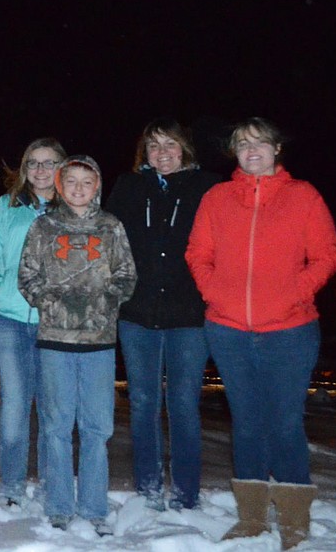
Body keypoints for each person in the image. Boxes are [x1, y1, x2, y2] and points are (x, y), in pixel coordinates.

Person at [185, 117, 336, 550]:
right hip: (229, 330)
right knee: (248, 423)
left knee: (286, 422)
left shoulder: (302, 196)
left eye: (259, 144)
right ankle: (251, 517)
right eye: (242, 146)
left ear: (276, 149)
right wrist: (216, 293)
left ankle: (293, 518)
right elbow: (198, 253)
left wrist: (295, 292)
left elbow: (326, 255)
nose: (251, 151)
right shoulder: (218, 198)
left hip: (290, 330)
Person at [104, 118, 220, 511]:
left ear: (185, 148)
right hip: (137, 314)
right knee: (143, 401)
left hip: (190, 315)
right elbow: (108, 241)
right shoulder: (129, 187)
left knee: (184, 403)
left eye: (171, 145)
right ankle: (148, 487)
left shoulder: (208, 188)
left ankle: (186, 492)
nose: (163, 153)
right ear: (144, 153)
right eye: (154, 146)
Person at [18, 155, 136, 535]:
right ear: (60, 185)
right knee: (55, 424)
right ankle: (59, 505)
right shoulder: (44, 227)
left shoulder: (111, 227)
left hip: (98, 341)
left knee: (97, 426)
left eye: (87, 182)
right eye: (72, 182)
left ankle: (94, 505)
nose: (79, 189)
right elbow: (27, 275)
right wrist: (50, 302)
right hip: (55, 340)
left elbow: (126, 275)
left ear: (97, 185)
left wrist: (104, 302)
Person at [0, 137, 66, 508]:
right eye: (34, 163)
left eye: (49, 163)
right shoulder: (7, 206)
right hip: (10, 318)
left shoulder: (74, 209)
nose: (41, 170)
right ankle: (11, 486)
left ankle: (49, 485)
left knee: (52, 408)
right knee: (14, 404)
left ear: (62, 167)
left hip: (54, 323)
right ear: (24, 170)